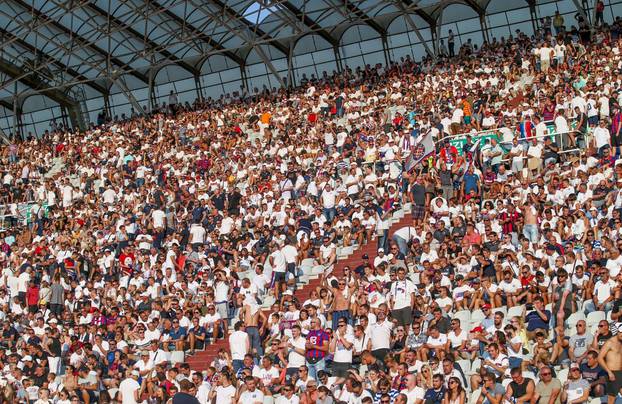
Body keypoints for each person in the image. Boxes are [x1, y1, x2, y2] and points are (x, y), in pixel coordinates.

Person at [598, 328, 622, 404]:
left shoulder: (621, 342)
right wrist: (609, 372)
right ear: (618, 332)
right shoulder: (610, 342)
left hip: (620, 372)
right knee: (611, 398)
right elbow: (599, 358)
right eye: (621, 333)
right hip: (613, 373)